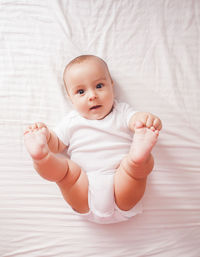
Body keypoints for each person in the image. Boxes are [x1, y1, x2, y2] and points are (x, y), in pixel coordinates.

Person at [24, 55, 162, 224]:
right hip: (84, 187)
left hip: (120, 183)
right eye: (81, 91)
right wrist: (46, 136)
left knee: (134, 169)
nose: (92, 96)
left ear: (111, 85)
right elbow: (57, 144)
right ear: (70, 98)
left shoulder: (122, 112)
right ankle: (42, 158)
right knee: (66, 172)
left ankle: (137, 158)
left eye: (99, 86)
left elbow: (136, 119)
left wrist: (145, 121)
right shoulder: (71, 121)